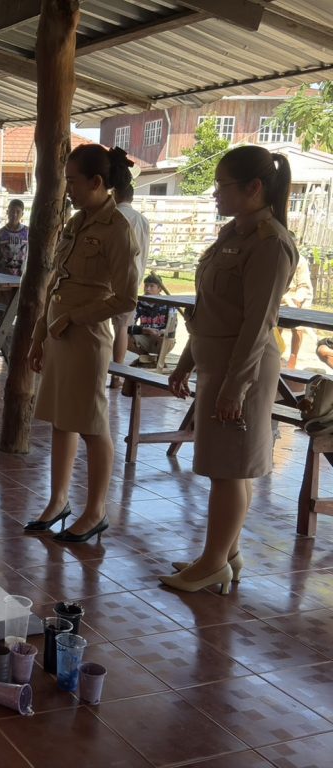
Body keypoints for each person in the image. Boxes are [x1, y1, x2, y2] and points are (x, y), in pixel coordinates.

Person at [165, 145, 297, 594]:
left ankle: (212, 563)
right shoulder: (233, 234)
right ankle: (227, 554)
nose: (215, 193)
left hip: (242, 372)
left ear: (254, 187)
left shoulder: (270, 244)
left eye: (222, 185)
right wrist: (186, 361)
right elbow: (211, 308)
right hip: (217, 366)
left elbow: (258, 324)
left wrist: (234, 388)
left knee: (227, 471)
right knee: (228, 468)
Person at [24, 145, 139, 542]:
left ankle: (96, 511)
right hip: (58, 335)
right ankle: (58, 500)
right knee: (62, 419)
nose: (68, 189)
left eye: (73, 181)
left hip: (86, 338)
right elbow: (56, 284)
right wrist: (39, 336)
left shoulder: (117, 229)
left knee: (91, 425)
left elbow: (126, 298)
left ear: (97, 182)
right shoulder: (76, 223)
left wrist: (74, 317)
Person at [110, 184, 150, 385]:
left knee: (98, 327)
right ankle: (116, 376)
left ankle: (100, 371)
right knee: (122, 328)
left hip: (109, 279)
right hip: (133, 279)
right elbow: (145, 252)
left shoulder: (112, 215)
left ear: (115, 193)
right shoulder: (143, 220)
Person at [127, 274, 177, 358]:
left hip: (161, 339)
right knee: (124, 338)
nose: (147, 289)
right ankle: (145, 357)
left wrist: (162, 332)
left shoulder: (169, 304)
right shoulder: (138, 303)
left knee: (167, 339)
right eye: (146, 286)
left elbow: (173, 327)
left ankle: (159, 360)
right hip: (144, 337)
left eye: (151, 286)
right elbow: (128, 326)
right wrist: (143, 330)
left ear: (160, 289)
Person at [279, 254, 313, 369]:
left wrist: (298, 299)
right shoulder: (275, 256)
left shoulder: (300, 261)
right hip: (281, 296)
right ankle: (276, 353)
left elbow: (304, 285)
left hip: (297, 296)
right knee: (275, 326)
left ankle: (293, 358)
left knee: (298, 327)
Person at [0, 199, 29, 277]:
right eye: (12, 211)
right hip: (2, 278)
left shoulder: (28, 233)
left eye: (18, 212)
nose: (14, 214)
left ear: (22, 214)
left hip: (22, 278)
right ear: (7, 212)